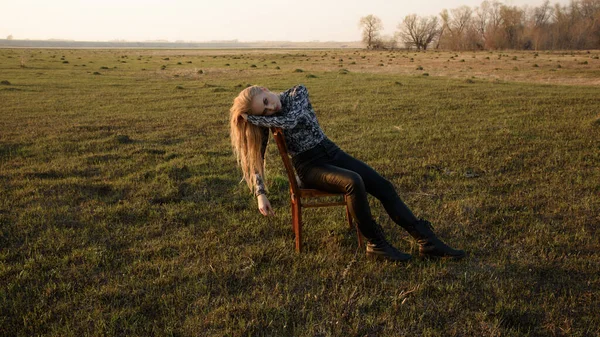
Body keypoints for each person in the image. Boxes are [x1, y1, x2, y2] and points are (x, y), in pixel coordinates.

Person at [229, 84, 465, 262]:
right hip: (310, 167)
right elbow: (255, 158)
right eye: (266, 111)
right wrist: (260, 193)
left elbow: (291, 120)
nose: (272, 108)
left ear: (266, 89)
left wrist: (257, 118)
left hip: (332, 152)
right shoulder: (267, 119)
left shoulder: (297, 93)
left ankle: (427, 241)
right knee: (353, 182)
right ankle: (376, 244)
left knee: (383, 186)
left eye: (266, 101)